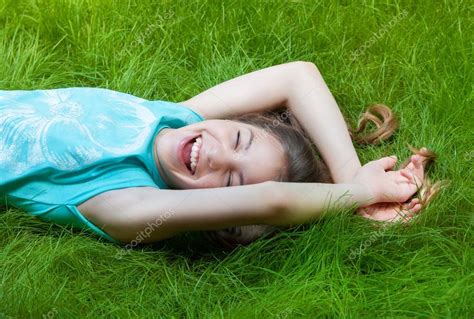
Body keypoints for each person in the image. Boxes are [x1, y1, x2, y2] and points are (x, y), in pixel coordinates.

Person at [0, 61, 442, 247]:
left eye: (231, 183)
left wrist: (355, 197)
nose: (217, 156)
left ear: (218, 210)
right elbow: (297, 76)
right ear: (239, 121)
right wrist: (353, 175)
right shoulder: (176, 120)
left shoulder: (126, 204)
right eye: (239, 140)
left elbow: (274, 201)